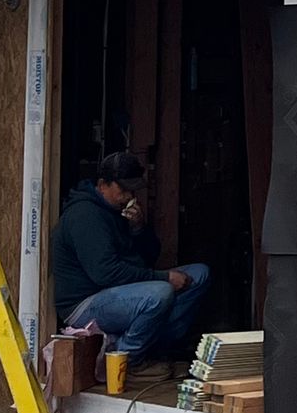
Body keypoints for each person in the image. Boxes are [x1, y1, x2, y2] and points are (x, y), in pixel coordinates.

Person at [51, 151, 210, 371]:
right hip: (85, 303)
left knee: (199, 274)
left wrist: (138, 229)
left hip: (119, 291)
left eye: (132, 189)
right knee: (159, 293)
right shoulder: (85, 215)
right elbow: (106, 274)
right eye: (123, 189)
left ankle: (154, 348)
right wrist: (163, 278)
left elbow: (148, 257)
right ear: (102, 184)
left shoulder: (116, 210)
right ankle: (124, 362)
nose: (128, 196)